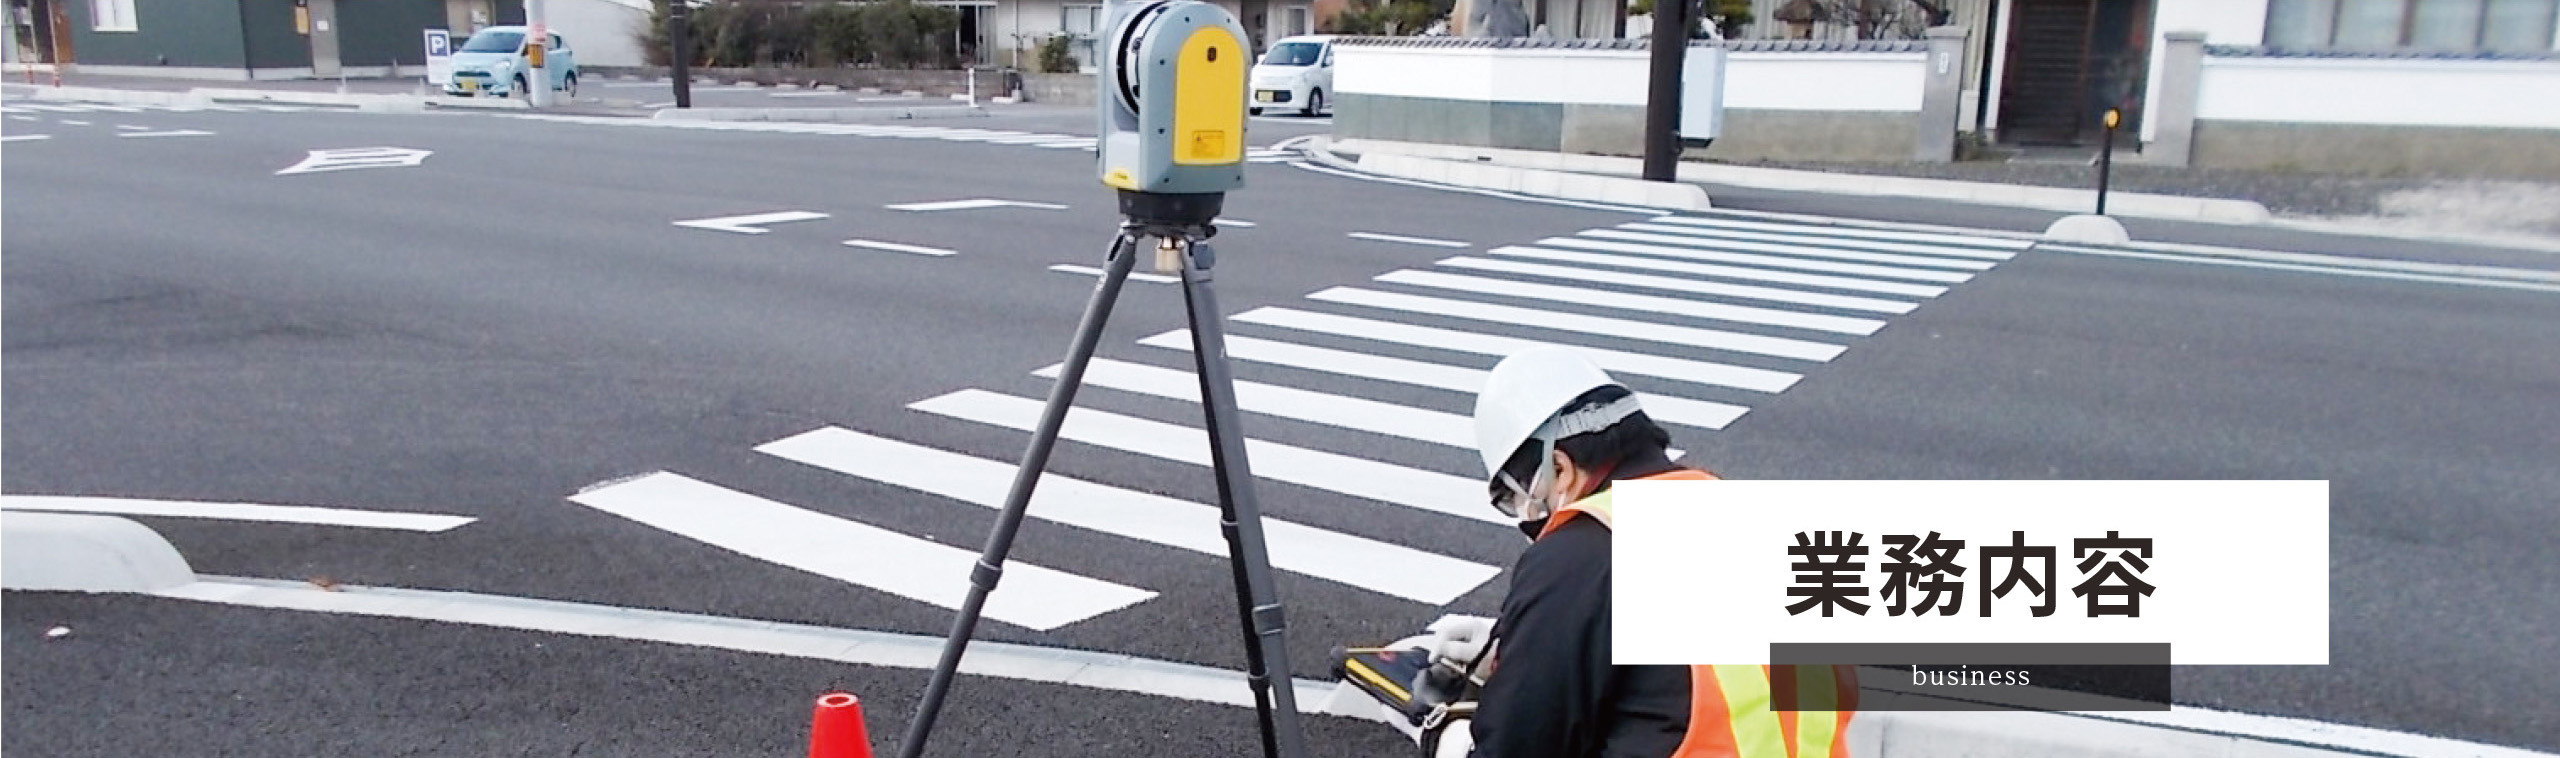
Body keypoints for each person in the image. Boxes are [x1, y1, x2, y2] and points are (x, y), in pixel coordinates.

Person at [1415, 347, 1857, 758]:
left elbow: (1518, 743)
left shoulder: (1579, 554)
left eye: (1521, 497)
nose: (1529, 516)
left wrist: (1447, 735)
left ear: (1559, 468)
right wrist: (1511, 640)